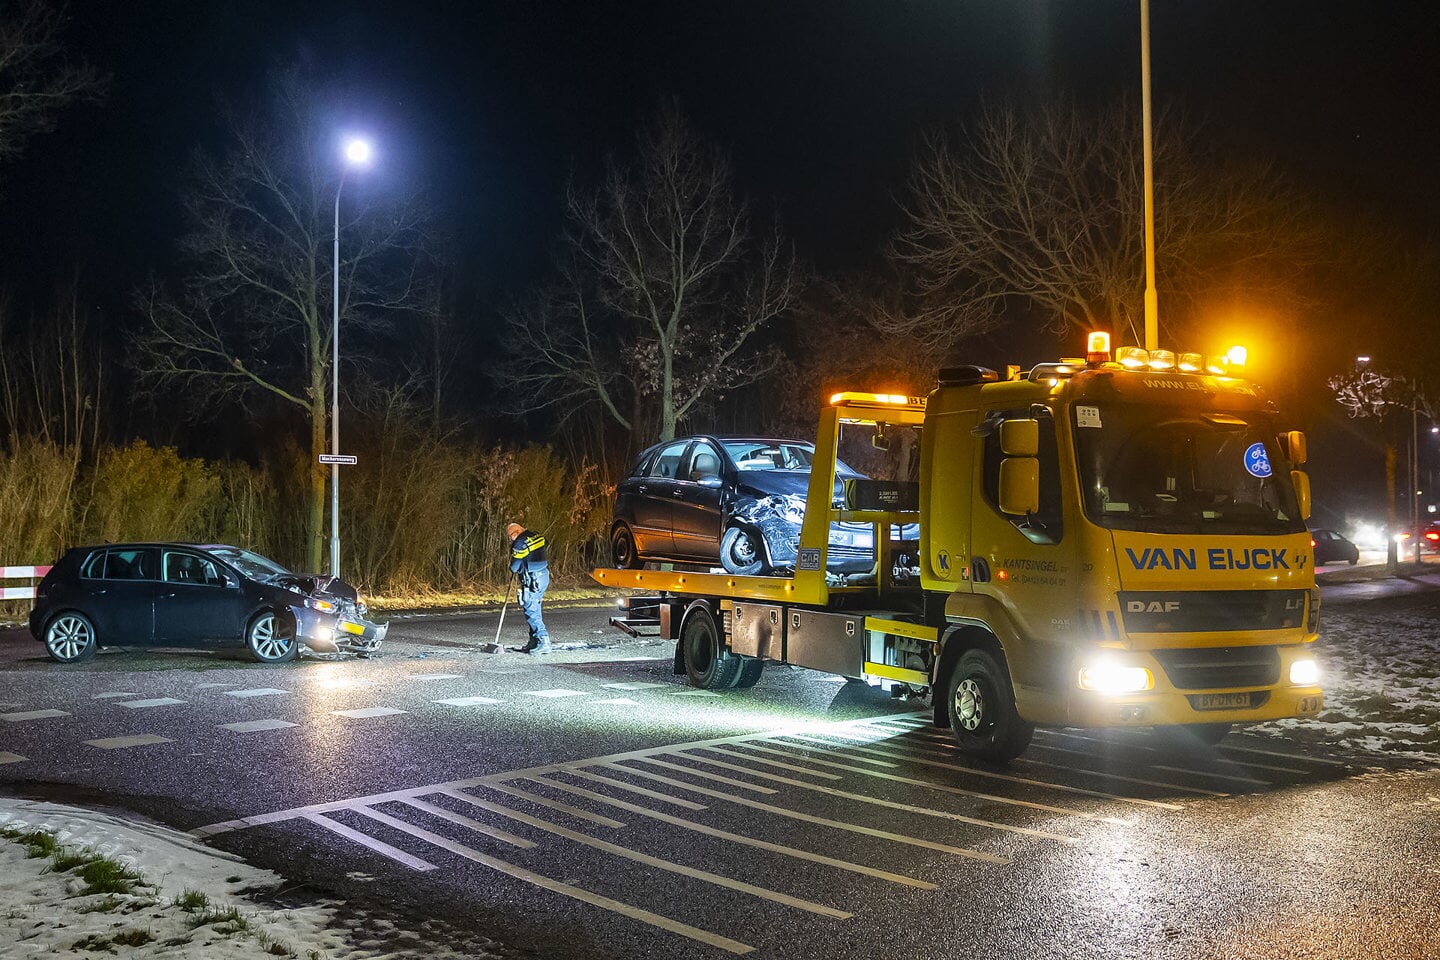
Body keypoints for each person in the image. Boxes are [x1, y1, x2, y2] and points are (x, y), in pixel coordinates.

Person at [506, 521, 551, 654]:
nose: (510, 540)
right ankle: (534, 642)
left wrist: (514, 567)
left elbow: (515, 566)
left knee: (532, 610)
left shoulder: (520, 543)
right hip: (543, 575)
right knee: (534, 608)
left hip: (533, 579)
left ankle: (543, 641)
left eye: (510, 536)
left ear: (516, 532)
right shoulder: (536, 535)